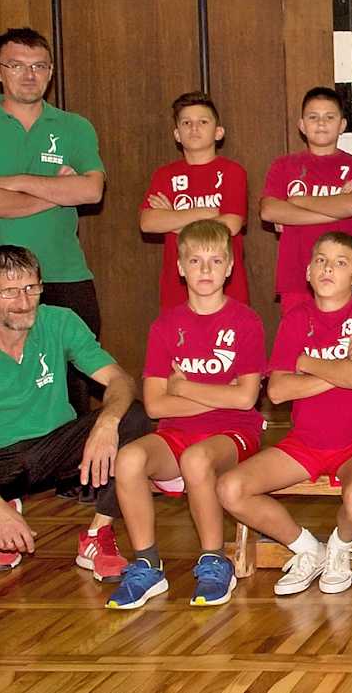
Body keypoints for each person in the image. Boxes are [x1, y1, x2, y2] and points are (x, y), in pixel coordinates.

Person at [0, 245, 152, 581]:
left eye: (31, 288)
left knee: (133, 417)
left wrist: (107, 422)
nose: (24, 301)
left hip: (53, 446)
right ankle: (2, 529)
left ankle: (98, 534)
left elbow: (120, 380)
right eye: (9, 292)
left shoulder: (60, 321)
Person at [105, 220, 264, 609]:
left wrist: (185, 387)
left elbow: (246, 400)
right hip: (176, 432)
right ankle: (147, 564)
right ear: (180, 267)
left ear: (230, 267)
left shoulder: (246, 321)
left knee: (196, 459)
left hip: (234, 433)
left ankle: (214, 559)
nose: (205, 270)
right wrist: (221, 394)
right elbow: (156, 405)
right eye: (195, 261)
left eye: (215, 261)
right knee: (128, 459)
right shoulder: (165, 325)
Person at [216, 232, 352, 597]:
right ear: (308, 271)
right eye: (321, 261)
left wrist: (305, 362)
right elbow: (278, 391)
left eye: (340, 263)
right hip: (305, 442)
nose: (328, 268)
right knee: (230, 488)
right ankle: (308, 549)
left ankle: (339, 546)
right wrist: (341, 367)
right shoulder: (296, 319)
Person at [0, 28, 107, 416]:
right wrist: (57, 191)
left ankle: (73, 460)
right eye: (16, 65)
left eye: (38, 66)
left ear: (50, 72)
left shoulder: (75, 127)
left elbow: (91, 191)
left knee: (72, 396)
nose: (28, 74)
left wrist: (16, 181)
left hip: (64, 276)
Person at [138, 91, 249, 309]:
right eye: (186, 123)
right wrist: (206, 213)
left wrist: (173, 218)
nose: (194, 128)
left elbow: (231, 225)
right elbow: (148, 223)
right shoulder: (164, 175)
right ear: (177, 134)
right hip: (177, 291)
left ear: (218, 132)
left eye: (203, 122)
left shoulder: (233, 172)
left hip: (228, 291)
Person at [260, 87, 352, 314]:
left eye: (329, 117)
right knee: (298, 337)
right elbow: (268, 210)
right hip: (297, 278)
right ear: (302, 125)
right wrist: (335, 208)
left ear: (342, 125)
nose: (321, 123)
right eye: (313, 117)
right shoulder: (284, 166)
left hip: (346, 280)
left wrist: (296, 202)